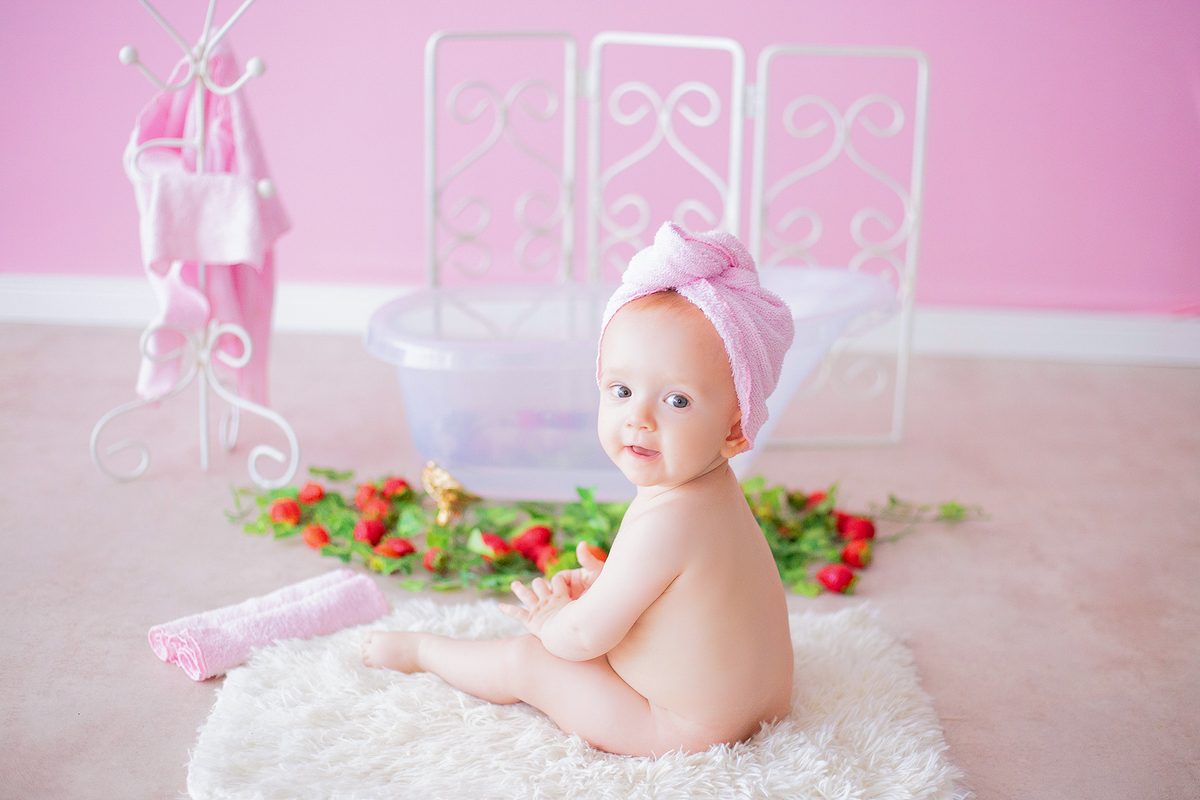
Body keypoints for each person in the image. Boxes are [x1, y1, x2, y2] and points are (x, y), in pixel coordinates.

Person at [362, 221, 796, 757]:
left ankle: (424, 651)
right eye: (621, 389)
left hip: (684, 729)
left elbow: (583, 639)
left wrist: (551, 621)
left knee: (531, 660)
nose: (639, 418)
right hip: (762, 702)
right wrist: (612, 581)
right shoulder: (714, 495)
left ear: (734, 428)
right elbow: (697, 590)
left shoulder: (669, 520)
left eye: (677, 401)